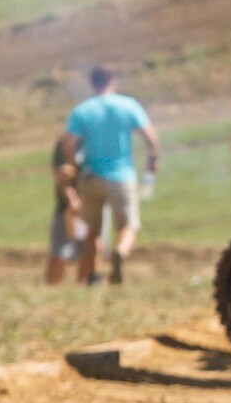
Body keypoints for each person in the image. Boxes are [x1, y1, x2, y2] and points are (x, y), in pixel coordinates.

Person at [61, 64, 159, 286]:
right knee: (128, 226)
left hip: (90, 176)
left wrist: (74, 164)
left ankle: (94, 276)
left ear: (92, 83)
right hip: (122, 176)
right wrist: (153, 161)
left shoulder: (82, 110)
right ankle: (120, 252)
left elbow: (69, 144)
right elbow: (150, 137)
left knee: (92, 229)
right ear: (112, 81)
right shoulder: (128, 105)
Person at [46, 137, 85, 285]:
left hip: (91, 206)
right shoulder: (66, 142)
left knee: (89, 250)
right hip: (68, 208)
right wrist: (73, 200)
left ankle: (85, 288)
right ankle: (51, 289)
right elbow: (62, 175)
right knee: (59, 253)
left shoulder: (96, 141)